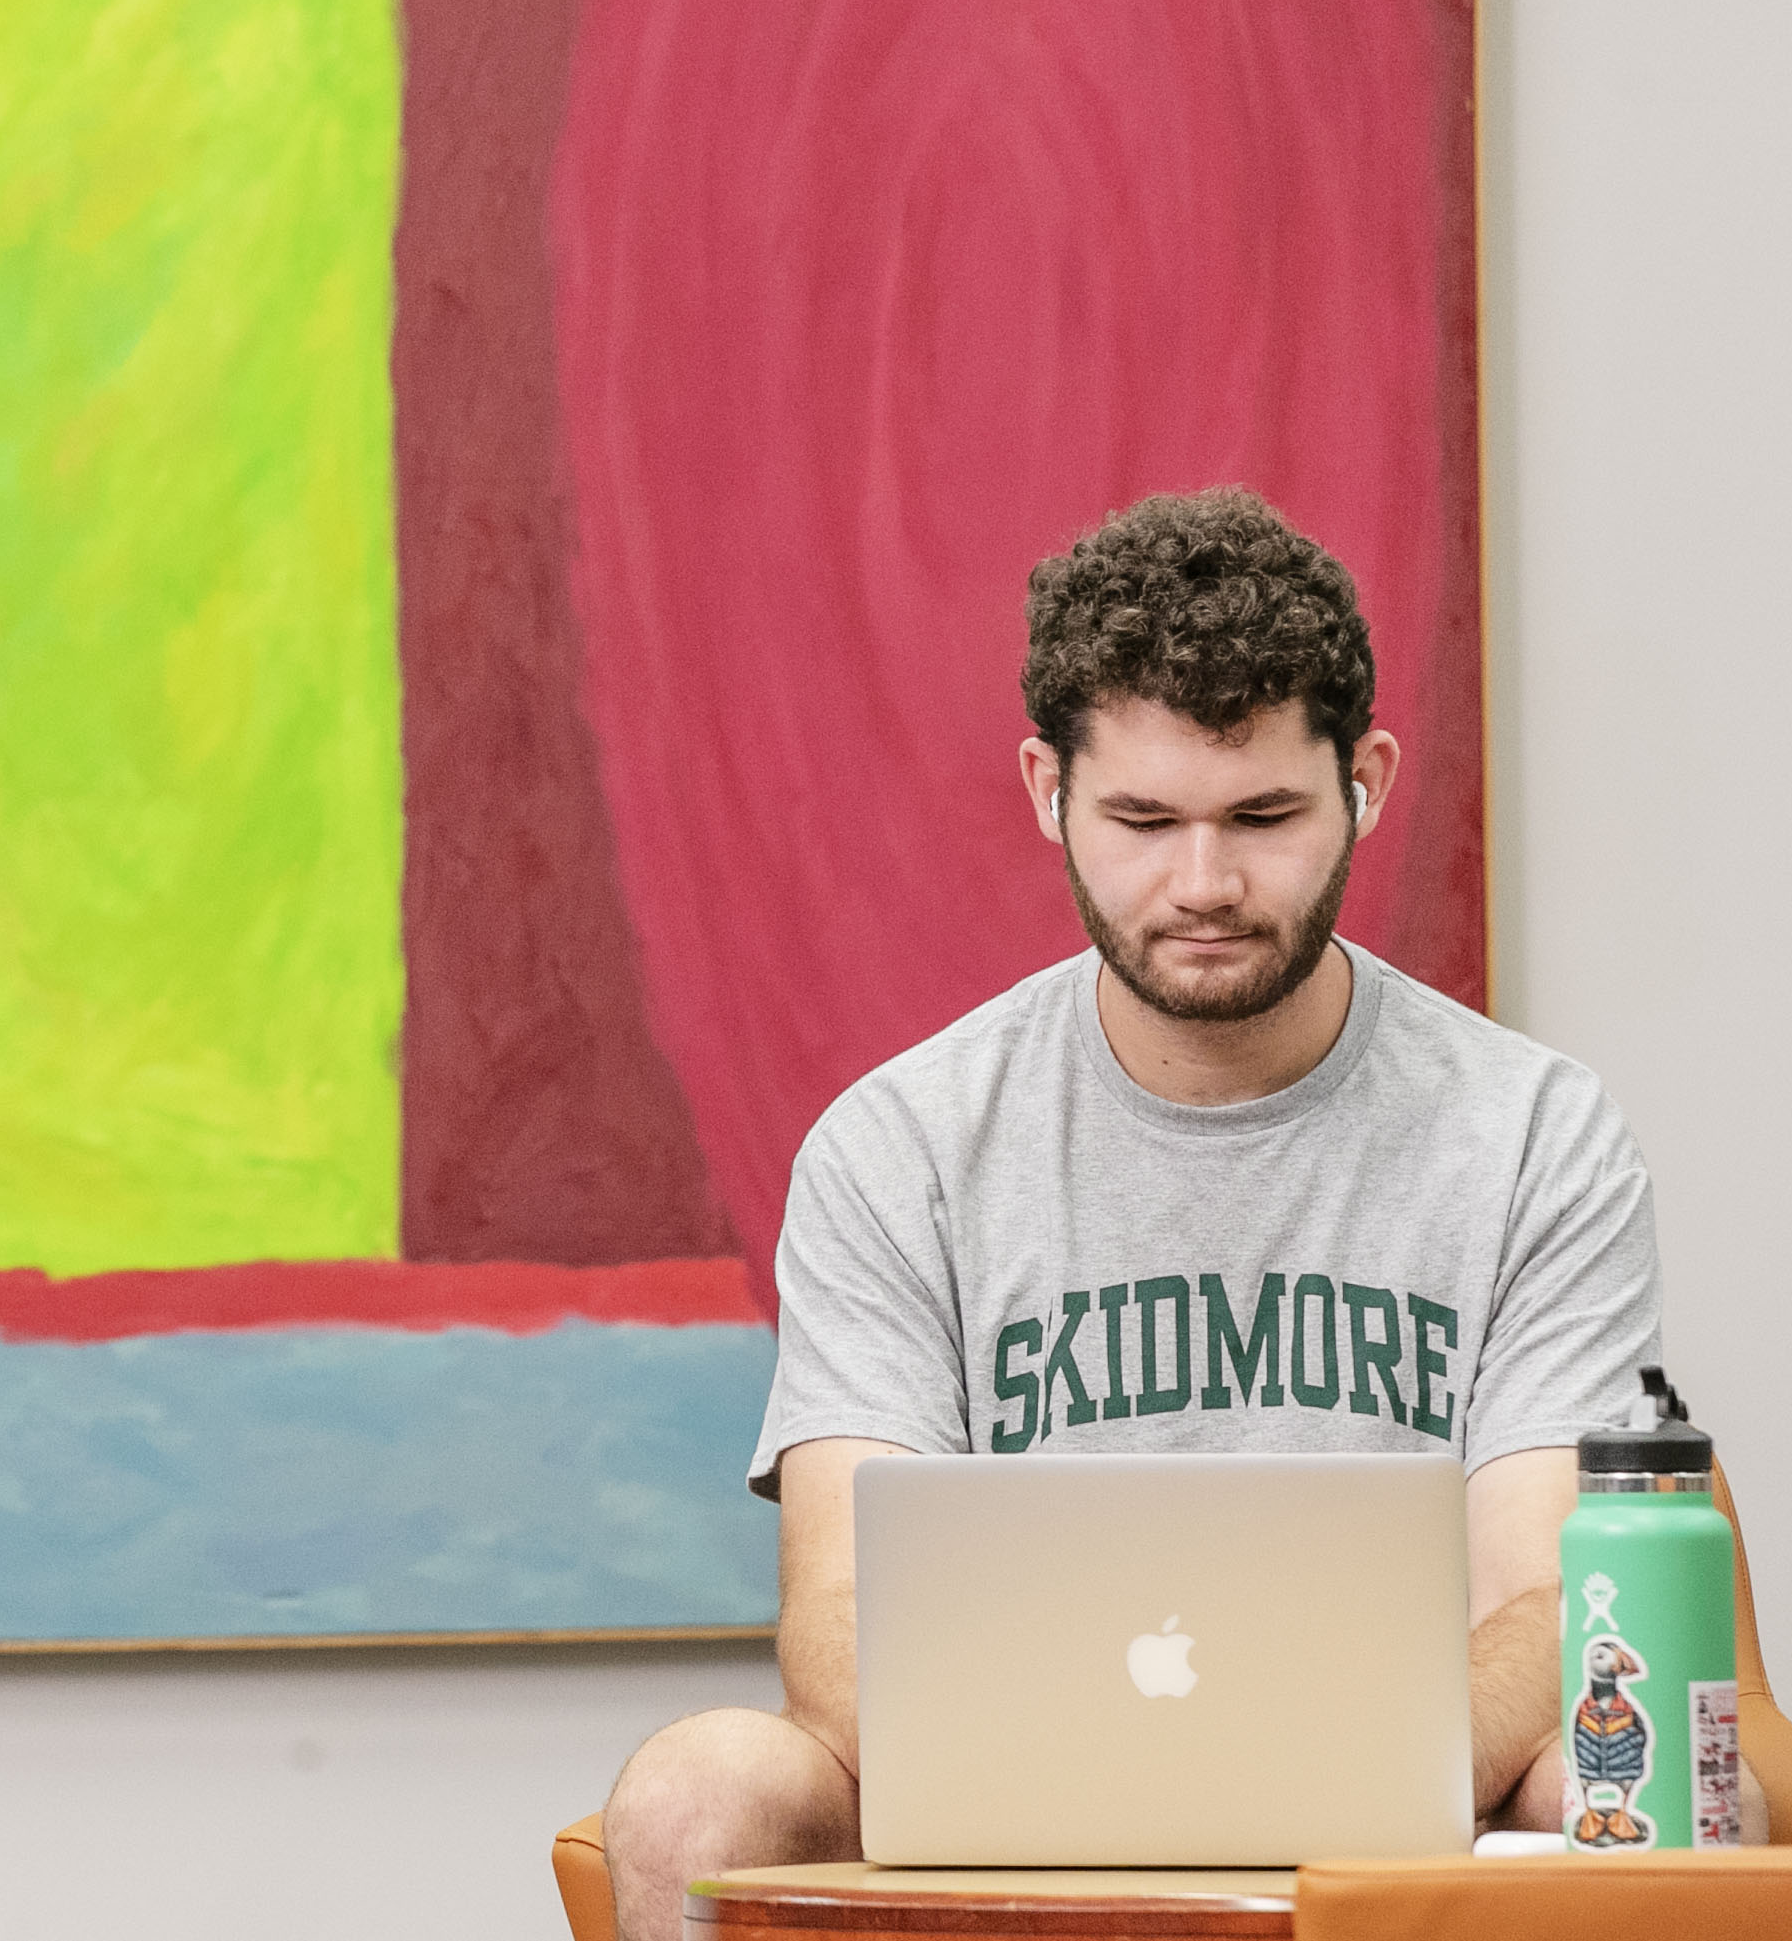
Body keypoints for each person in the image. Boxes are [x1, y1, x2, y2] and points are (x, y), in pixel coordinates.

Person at [598, 488, 1665, 1936]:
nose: (1203, 884)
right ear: (1048, 789)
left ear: (1366, 779)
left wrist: (1286, 1800)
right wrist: (1110, 1814)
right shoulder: (902, 1148)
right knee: (693, 1787)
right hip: (998, 1819)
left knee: (1613, 1769)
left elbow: (1549, 1608)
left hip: (1406, 1824)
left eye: (1264, 817)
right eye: (1143, 820)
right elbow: (844, 1628)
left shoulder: (1533, 1135)